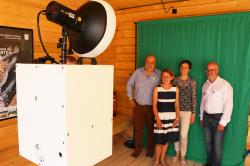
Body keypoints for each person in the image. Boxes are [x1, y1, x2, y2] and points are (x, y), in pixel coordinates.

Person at [127, 55, 161, 158]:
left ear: (155, 63)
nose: (150, 64)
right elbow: (129, 84)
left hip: (152, 107)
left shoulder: (159, 74)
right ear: (145, 62)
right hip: (138, 106)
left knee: (151, 130)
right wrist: (130, 98)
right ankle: (137, 149)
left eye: (152, 62)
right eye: (148, 62)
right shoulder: (138, 72)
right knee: (138, 129)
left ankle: (150, 151)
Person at [200, 62, 233, 166]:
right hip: (206, 117)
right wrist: (201, 117)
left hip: (219, 119)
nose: (210, 72)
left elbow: (229, 105)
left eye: (212, 69)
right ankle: (209, 164)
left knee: (217, 146)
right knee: (208, 144)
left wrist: (223, 123)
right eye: (208, 70)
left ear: (217, 71)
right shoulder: (205, 85)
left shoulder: (225, 85)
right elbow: (202, 102)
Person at [152, 69, 180, 166]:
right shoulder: (157, 89)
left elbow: (176, 104)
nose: (165, 78)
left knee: (166, 141)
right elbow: (154, 106)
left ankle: (162, 160)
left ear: (172, 78)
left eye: (167, 76)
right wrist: (158, 120)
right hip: (160, 117)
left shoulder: (175, 89)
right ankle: (156, 160)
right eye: (163, 76)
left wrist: (177, 118)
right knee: (159, 141)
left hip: (171, 118)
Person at [172, 60, 197, 165]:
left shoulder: (192, 81)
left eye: (186, 67)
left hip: (187, 112)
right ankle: (177, 153)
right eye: (182, 67)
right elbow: (172, 95)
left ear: (189, 69)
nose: (183, 69)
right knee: (175, 133)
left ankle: (183, 156)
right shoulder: (175, 80)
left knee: (183, 135)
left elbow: (194, 98)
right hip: (175, 111)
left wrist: (194, 113)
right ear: (179, 68)